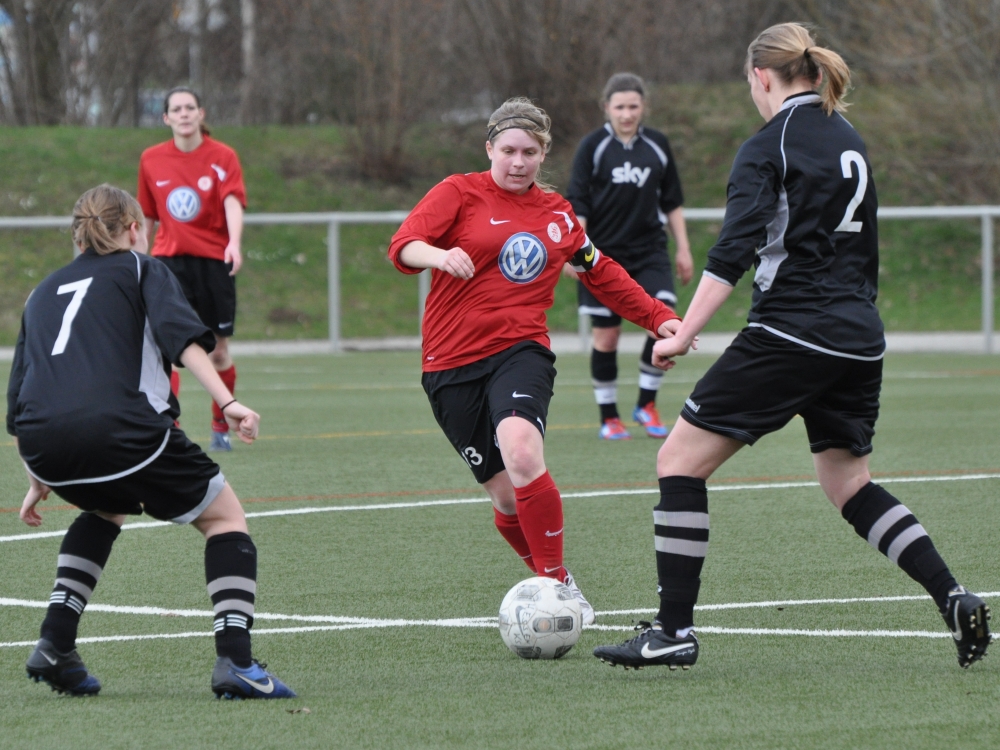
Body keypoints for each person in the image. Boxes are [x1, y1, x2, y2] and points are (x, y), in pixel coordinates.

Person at [593, 23, 991, 670]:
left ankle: (671, 632)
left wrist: (683, 332)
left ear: (761, 77)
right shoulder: (848, 137)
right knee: (850, 484)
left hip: (792, 332)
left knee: (678, 462)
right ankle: (953, 596)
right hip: (858, 338)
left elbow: (734, 251)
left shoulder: (768, 144)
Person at [387, 97, 682, 626]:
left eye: (529, 151)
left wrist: (659, 317)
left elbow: (600, 272)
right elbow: (404, 245)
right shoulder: (457, 192)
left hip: (521, 351)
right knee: (505, 498)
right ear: (490, 149)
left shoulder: (558, 215)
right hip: (448, 364)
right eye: (508, 151)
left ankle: (552, 586)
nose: (518, 162)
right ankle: (561, 581)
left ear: (543, 154)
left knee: (522, 454)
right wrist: (438, 255)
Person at [9, 185, 295, 699]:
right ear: (136, 229)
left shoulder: (43, 291)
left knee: (104, 508)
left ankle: (54, 643)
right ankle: (237, 662)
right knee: (224, 519)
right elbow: (182, 340)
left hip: (41, 442)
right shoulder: (142, 267)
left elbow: (24, 385)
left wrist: (37, 477)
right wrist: (228, 402)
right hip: (122, 431)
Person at [565, 73, 693, 440]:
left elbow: (672, 201)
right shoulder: (593, 147)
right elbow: (579, 202)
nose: (626, 113)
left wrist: (683, 248)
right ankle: (609, 416)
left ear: (643, 107)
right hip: (601, 256)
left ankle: (646, 404)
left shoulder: (657, 145)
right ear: (606, 107)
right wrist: (578, 251)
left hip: (649, 251)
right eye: (619, 106)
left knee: (664, 321)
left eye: (633, 106)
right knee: (606, 338)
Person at [137, 87, 246, 451]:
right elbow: (147, 215)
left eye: (189, 108)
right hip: (168, 263)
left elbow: (233, 201)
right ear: (166, 118)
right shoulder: (151, 159)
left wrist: (234, 242)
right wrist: (138, 257)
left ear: (201, 113)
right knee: (167, 351)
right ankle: (172, 429)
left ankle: (221, 424)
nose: (183, 114)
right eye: (176, 109)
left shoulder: (223, 156)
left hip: (215, 263)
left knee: (217, 352)